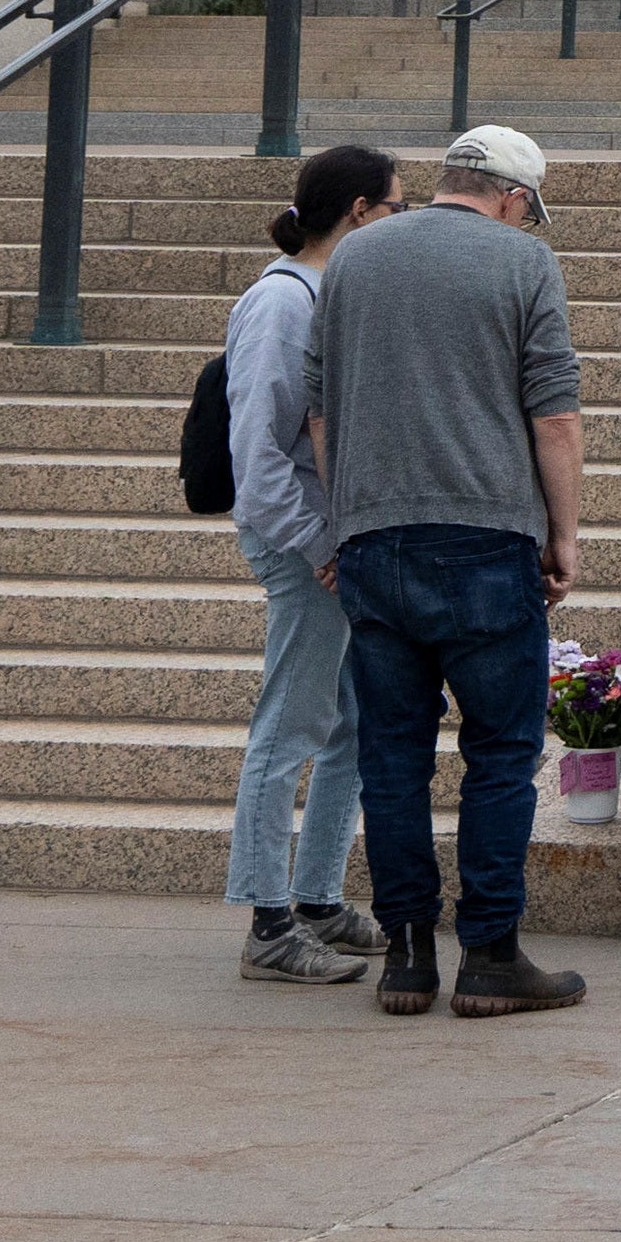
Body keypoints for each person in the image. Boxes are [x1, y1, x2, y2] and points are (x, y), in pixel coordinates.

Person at [305, 121, 589, 1018]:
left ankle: (407, 956)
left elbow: (319, 409)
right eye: (527, 210)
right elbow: (554, 415)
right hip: (485, 539)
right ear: (510, 197)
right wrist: (564, 535)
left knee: (391, 755)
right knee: (501, 755)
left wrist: (347, 521)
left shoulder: (353, 258)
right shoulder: (522, 264)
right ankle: (493, 956)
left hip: (373, 541)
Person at [224, 143, 398, 984]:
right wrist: (324, 549)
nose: (403, 221)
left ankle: (318, 900)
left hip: (333, 543)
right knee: (289, 727)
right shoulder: (283, 304)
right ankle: (267, 921)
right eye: (396, 207)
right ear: (359, 212)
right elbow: (258, 457)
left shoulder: (330, 295)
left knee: (351, 724)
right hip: (305, 546)